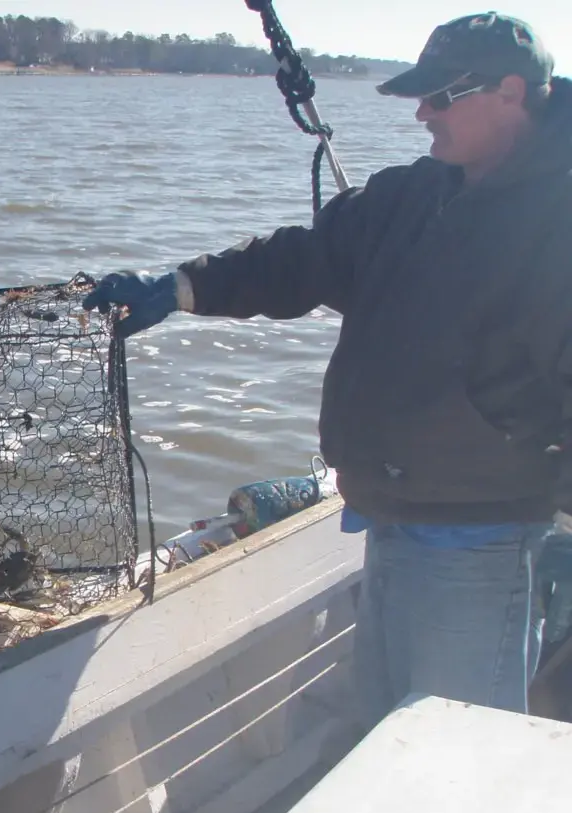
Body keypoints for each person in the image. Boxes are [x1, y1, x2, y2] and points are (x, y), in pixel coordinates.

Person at [82, 12, 572, 728]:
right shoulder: (413, 194)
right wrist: (181, 287)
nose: (423, 109)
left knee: (456, 746)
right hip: (390, 512)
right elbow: (303, 261)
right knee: (388, 724)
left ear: (510, 91)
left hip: (483, 533)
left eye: (441, 94)